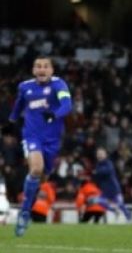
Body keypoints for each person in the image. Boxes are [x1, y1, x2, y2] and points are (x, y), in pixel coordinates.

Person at [9, 56, 72, 237]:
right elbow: (18, 106)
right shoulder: (25, 87)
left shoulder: (59, 85)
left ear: (52, 70)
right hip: (32, 136)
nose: (42, 69)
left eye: (46, 66)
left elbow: (67, 105)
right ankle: (25, 212)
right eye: (38, 66)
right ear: (33, 70)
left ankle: (29, 202)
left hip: (52, 140)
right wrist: (11, 121)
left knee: (44, 177)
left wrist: (54, 114)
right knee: (36, 169)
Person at [93, 147, 132, 221]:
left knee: (120, 204)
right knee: (100, 202)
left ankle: (129, 218)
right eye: (98, 154)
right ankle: (114, 211)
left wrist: (97, 172)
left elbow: (107, 171)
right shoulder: (98, 165)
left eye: (101, 154)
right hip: (105, 190)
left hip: (114, 189)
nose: (99, 155)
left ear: (105, 155)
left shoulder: (108, 163)